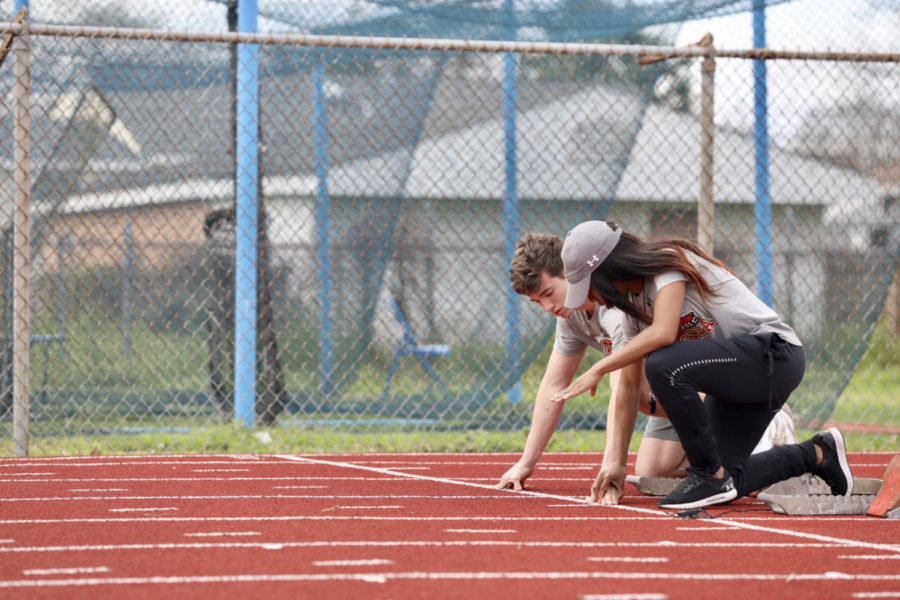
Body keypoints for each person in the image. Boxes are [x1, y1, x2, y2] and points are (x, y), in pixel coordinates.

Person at [551, 220, 853, 510]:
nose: (595, 300)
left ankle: (705, 472)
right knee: (725, 480)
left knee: (661, 365)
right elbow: (628, 386)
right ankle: (817, 453)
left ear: (607, 270)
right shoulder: (632, 311)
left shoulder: (667, 262)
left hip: (775, 356)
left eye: (590, 288)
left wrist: (598, 368)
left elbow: (664, 332)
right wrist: (615, 463)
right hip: (739, 378)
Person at [495, 232, 796, 504]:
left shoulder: (637, 288)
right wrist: (527, 462)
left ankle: (760, 424)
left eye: (548, 293)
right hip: (680, 382)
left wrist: (612, 458)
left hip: (755, 360)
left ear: (577, 275)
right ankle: (772, 451)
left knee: (648, 370)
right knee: (653, 469)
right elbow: (554, 385)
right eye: (537, 303)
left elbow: (628, 374)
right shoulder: (598, 312)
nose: (548, 307)